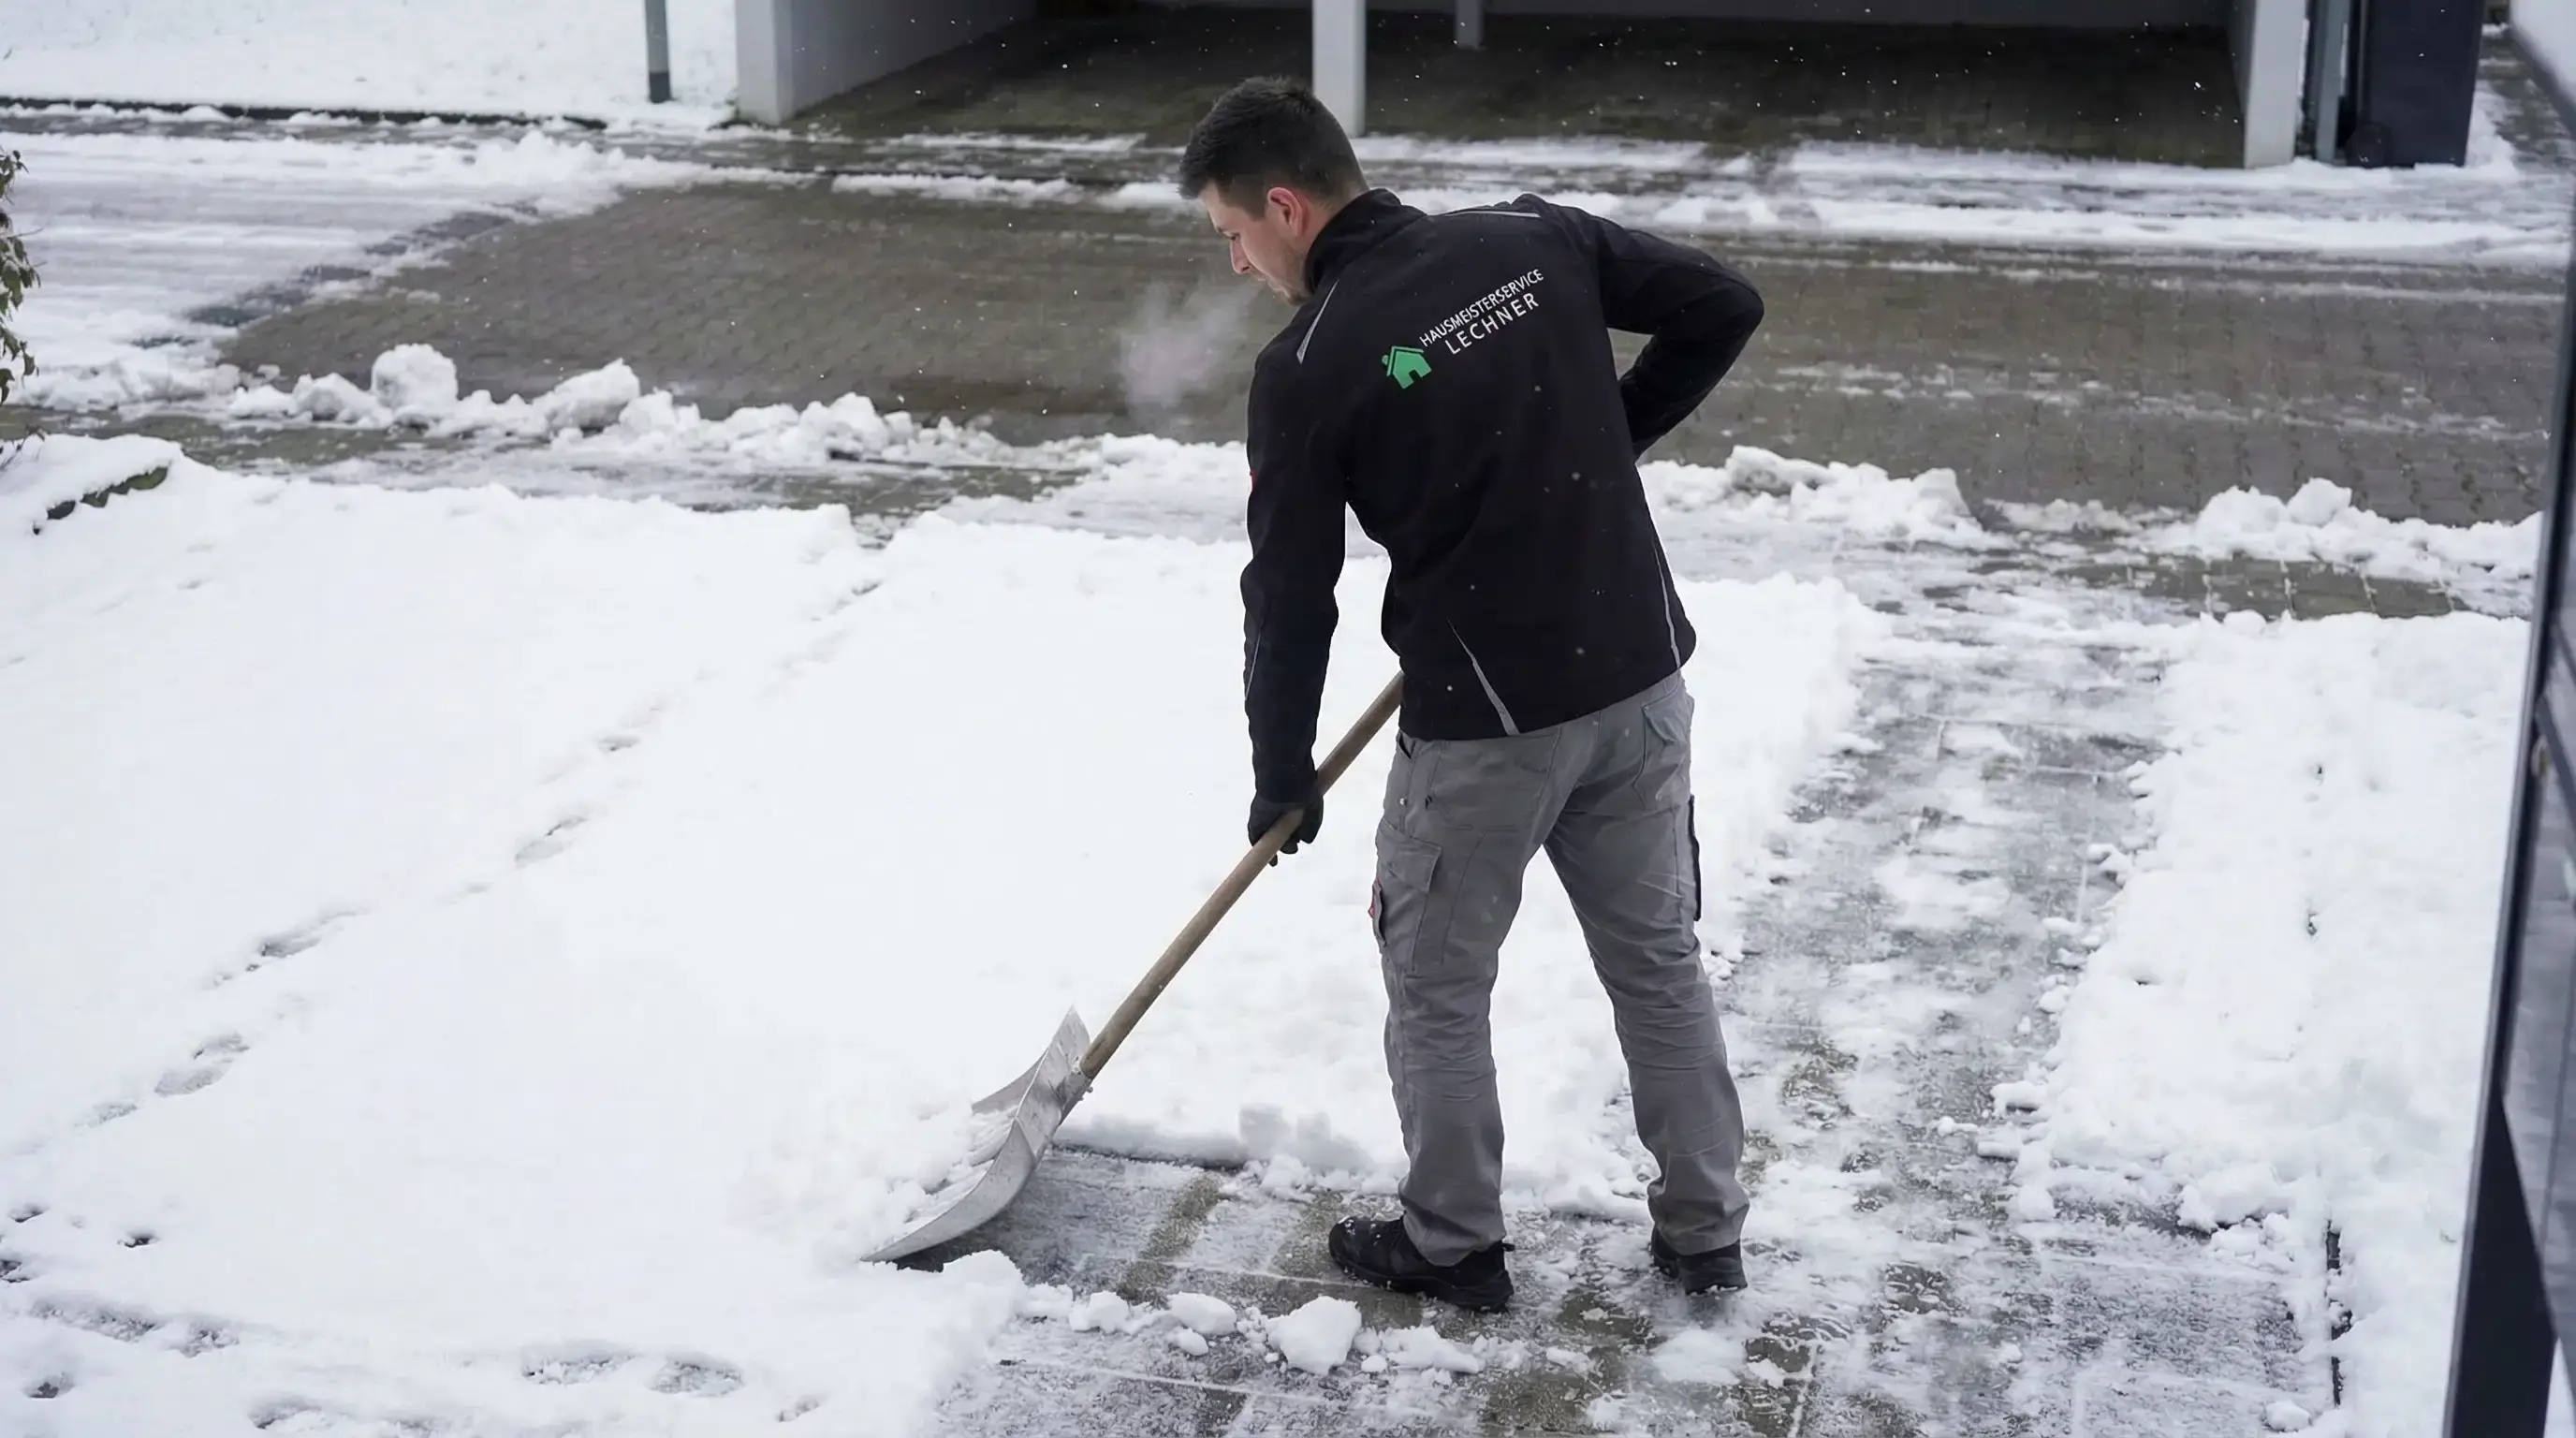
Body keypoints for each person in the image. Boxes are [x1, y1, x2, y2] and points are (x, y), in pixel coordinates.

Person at [1178, 77, 1764, 1313]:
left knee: (1438, 988)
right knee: (1658, 961)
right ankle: (1706, 1229)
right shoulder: (1530, 240)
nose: (1237, 263)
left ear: (1284, 207)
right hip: (1643, 678)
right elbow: (1722, 304)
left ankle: (1452, 1242)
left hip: (1489, 734)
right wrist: (1609, 429)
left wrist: (1280, 770)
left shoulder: (1314, 365)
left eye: (1233, 233)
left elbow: (1291, 597)